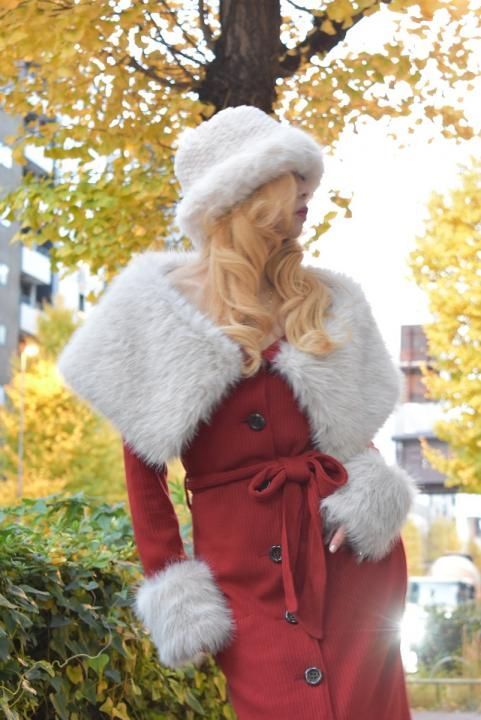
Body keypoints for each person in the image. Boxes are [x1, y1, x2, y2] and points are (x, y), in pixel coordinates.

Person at [58, 105, 417, 720]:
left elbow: (353, 436)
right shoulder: (161, 307)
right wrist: (173, 582)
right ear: (247, 194)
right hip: (241, 577)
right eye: (292, 180)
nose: (307, 195)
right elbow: (144, 471)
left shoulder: (326, 297)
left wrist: (370, 498)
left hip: (352, 563)